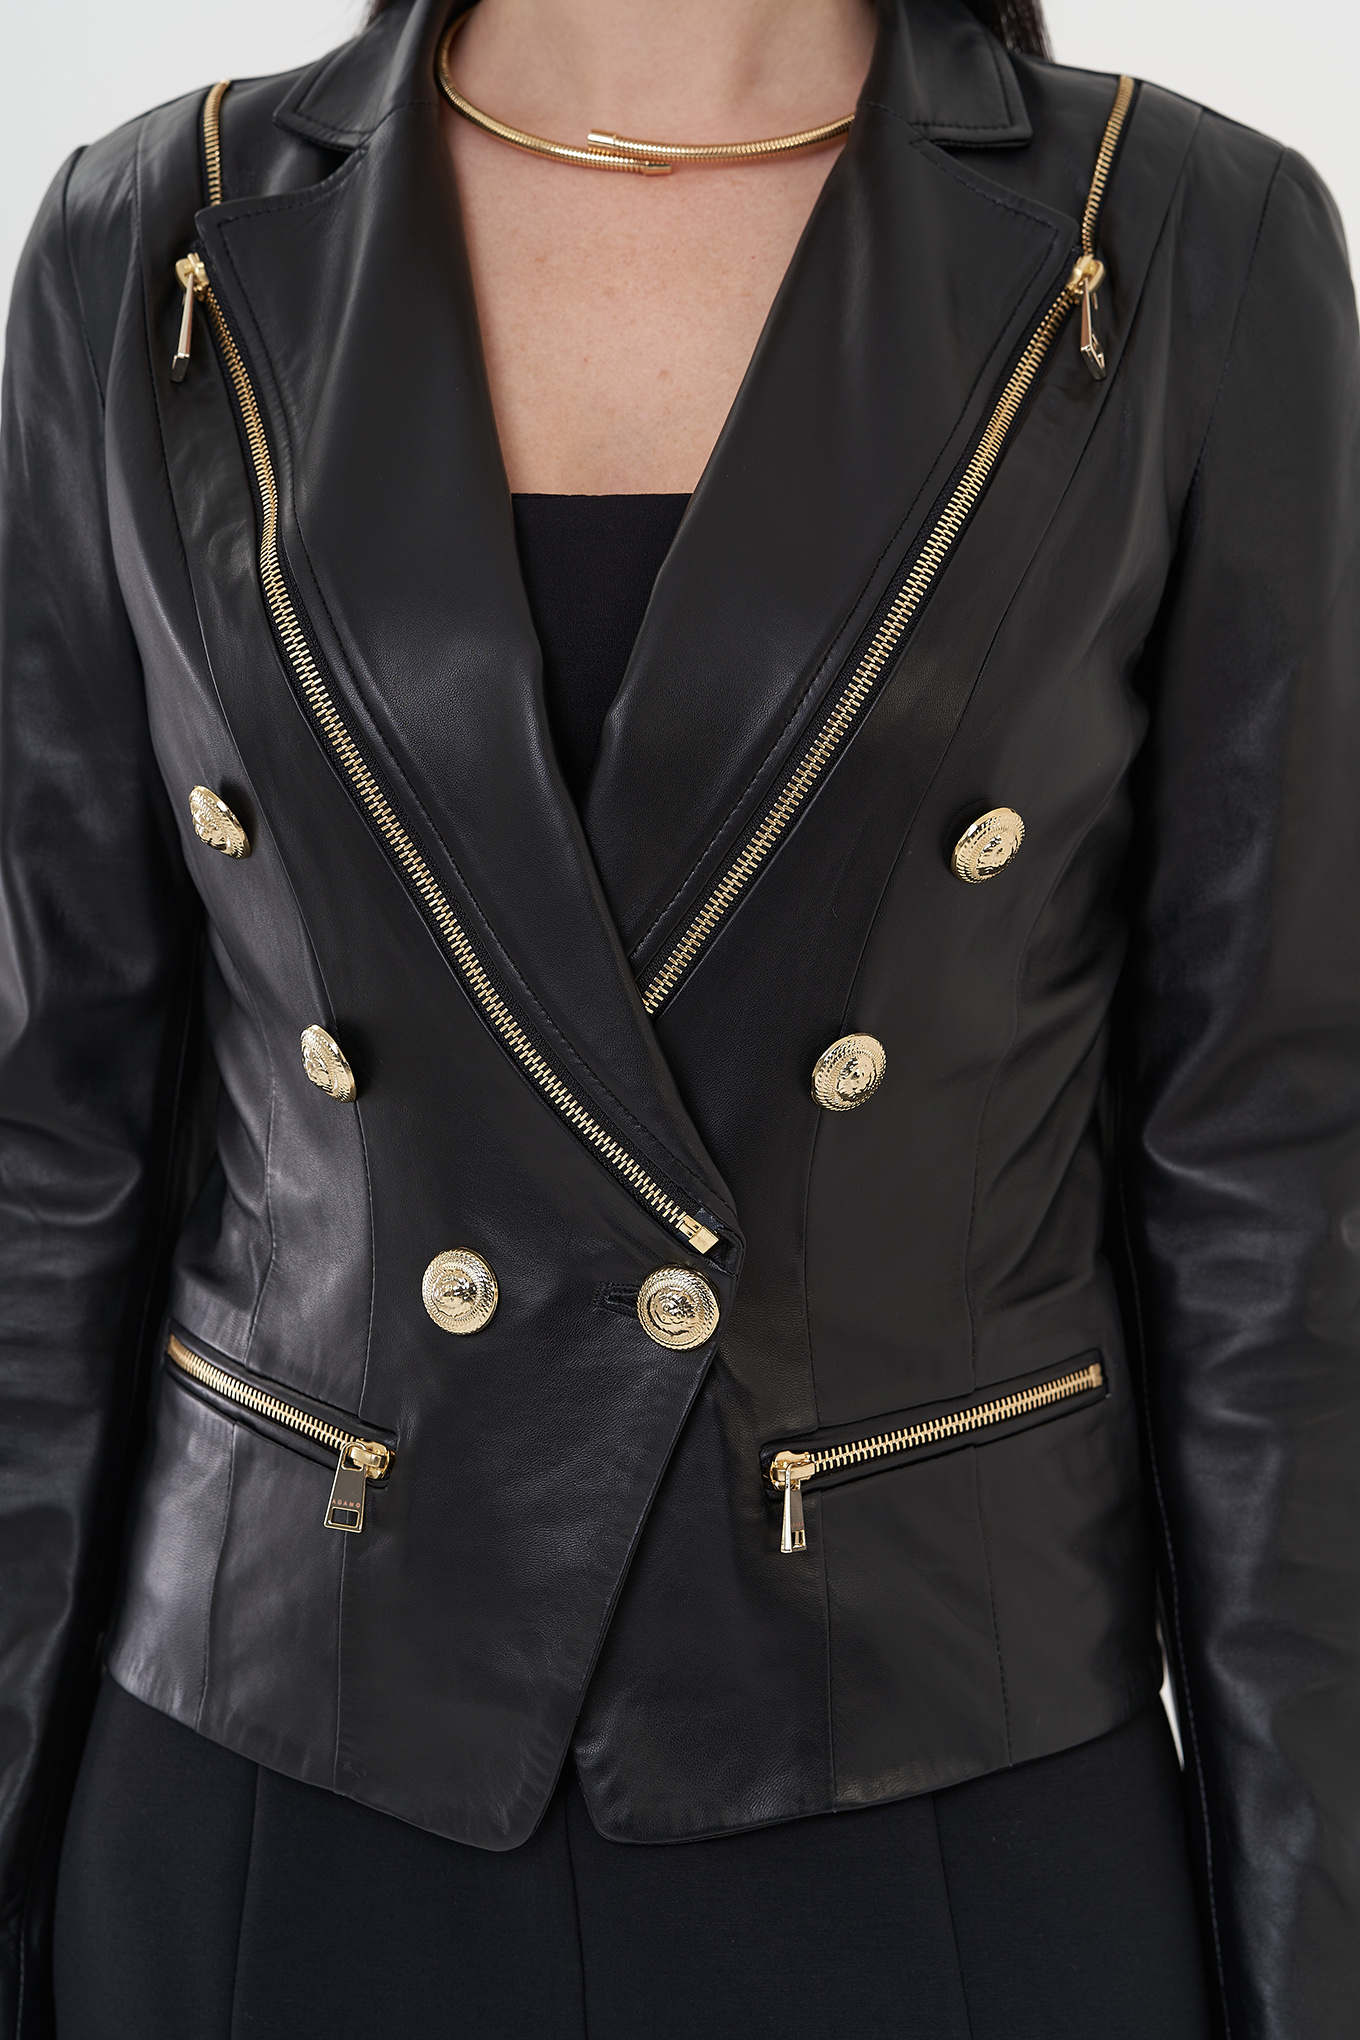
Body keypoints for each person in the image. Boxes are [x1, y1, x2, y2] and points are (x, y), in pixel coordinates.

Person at [1, 0, 1356, 2031]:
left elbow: (1275, 1195)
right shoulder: (153, 239)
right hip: (276, 1770)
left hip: (933, 1786)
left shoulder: (1173, 241)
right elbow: (46, 1152)